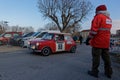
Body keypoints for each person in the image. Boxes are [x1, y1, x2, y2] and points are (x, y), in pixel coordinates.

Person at [86, 5, 113, 78]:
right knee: (107, 58)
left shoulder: (98, 17)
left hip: (97, 42)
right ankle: (108, 72)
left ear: (98, 11)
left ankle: (94, 72)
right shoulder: (109, 19)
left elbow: (94, 31)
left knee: (96, 58)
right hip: (106, 42)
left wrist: (88, 38)